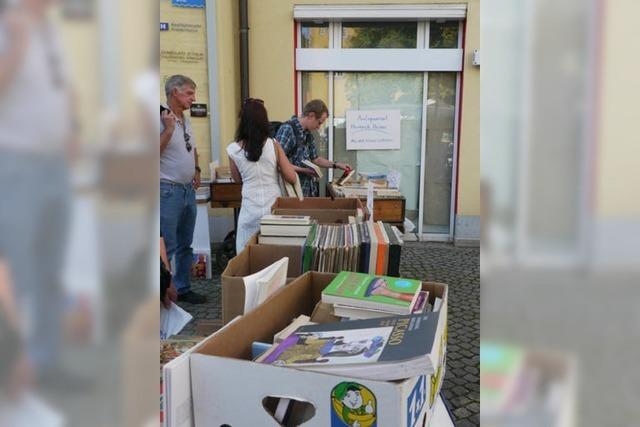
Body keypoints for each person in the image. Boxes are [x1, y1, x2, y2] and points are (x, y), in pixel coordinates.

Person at [227, 98, 297, 253]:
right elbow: (291, 177)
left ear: (242, 121)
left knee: (247, 254)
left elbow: (238, 179)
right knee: (272, 253)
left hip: (249, 208)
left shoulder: (232, 150)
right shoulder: (273, 144)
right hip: (273, 207)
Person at [160, 75, 206, 304]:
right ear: (174, 93)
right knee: (166, 246)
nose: (193, 98)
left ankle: (183, 287)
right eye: (189, 93)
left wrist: (196, 169)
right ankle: (162, 294)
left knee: (185, 244)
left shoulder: (185, 120)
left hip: (187, 189)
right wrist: (167, 131)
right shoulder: (161, 119)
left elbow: (193, 148)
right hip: (167, 190)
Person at [275, 99, 351, 197]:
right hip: (292, 193)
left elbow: (316, 159)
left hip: (306, 191)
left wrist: (336, 165)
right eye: (319, 123)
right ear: (311, 115)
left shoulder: (308, 134)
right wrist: (305, 170)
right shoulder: (287, 130)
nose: (319, 127)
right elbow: (279, 163)